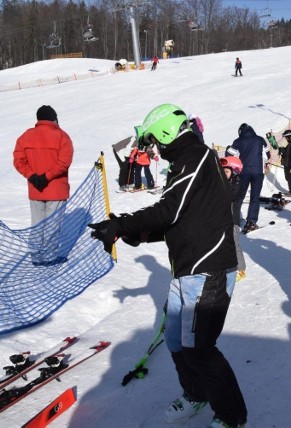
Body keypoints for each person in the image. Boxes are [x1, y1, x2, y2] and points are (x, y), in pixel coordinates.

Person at [87, 104, 247, 428]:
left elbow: (168, 210)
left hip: (208, 270)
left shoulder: (195, 158)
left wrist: (122, 224)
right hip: (187, 271)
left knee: (199, 349)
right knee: (175, 341)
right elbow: (183, 221)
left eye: (154, 142)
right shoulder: (185, 162)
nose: (154, 150)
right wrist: (139, 233)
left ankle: (232, 417)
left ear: (165, 134)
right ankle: (196, 394)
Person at [14, 105, 74, 265]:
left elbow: (18, 160)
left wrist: (32, 176)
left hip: (35, 190)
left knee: (37, 224)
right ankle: (49, 258)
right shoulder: (62, 136)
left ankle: (36, 256)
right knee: (52, 225)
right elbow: (64, 162)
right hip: (56, 190)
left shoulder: (26, 136)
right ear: (54, 118)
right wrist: (46, 176)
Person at [232, 123, 269, 233]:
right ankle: (251, 222)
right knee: (255, 197)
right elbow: (267, 155)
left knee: (239, 196)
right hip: (258, 172)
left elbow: (229, 154)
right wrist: (264, 162)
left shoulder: (238, 141)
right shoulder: (260, 139)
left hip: (243, 172)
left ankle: (235, 221)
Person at [220, 155, 248, 282]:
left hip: (233, 221)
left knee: (235, 244)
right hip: (223, 220)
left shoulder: (237, 184)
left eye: (226, 171)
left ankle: (241, 269)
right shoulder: (224, 183)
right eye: (222, 171)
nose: (223, 174)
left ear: (234, 171)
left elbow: (231, 196)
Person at [280, 130, 291, 194]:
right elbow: (287, 152)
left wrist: (282, 150)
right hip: (288, 163)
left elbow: (288, 154)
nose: (285, 139)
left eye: (286, 137)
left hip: (290, 164)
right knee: (289, 178)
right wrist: (281, 149)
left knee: (290, 178)